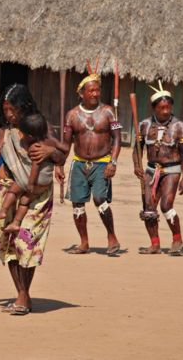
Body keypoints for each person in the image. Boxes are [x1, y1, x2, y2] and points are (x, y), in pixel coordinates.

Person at [0, 84, 64, 315]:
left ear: (24, 107)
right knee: (9, 245)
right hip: (7, 189)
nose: (9, 114)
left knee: (27, 241)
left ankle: (24, 296)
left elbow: (62, 153)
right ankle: (21, 293)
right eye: (5, 110)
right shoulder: (5, 133)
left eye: (12, 109)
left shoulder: (41, 128)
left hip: (36, 193)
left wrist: (50, 153)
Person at [57, 71, 122, 256]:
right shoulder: (72, 115)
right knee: (77, 204)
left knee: (100, 199)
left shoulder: (108, 112)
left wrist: (113, 162)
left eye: (97, 90)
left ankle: (112, 237)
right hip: (79, 164)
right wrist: (59, 165)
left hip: (102, 163)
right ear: (81, 93)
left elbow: (117, 139)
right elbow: (66, 143)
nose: (95, 94)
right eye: (91, 90)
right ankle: (84, 243)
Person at [133, 82, 183, 255]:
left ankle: (177, 240)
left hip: (172, 171)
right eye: (161, 108)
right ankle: (155, 244)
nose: (165, 111)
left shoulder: (180, 126)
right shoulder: (144, 125)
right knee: (149, 209)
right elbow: (137, 149)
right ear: (154, 108)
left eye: (168, 107)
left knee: (166, 205)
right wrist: (137, 165)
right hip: (151, 171)